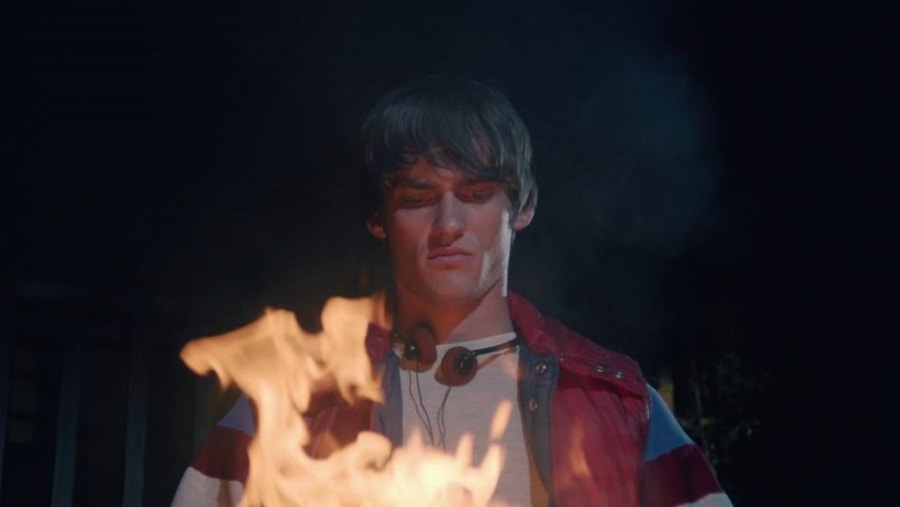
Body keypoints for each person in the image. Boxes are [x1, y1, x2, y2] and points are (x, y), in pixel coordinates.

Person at [171, 77, 732, 506]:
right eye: (417, 199)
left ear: (522, 208)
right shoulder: (292, 398)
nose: (448, 224)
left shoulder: (617, 402)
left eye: (477, 194)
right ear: (378, 219)